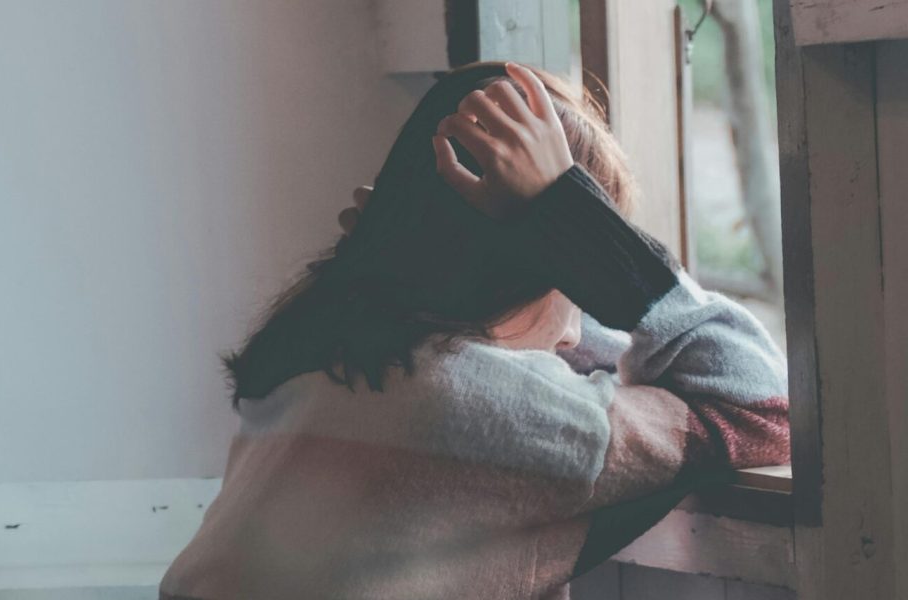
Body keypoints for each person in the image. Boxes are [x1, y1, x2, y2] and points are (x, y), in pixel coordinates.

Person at [159, 61, 789, 600]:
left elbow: (546, 350)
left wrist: (397, 252)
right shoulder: (481, 407)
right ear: (539, 272)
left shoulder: (317, 355)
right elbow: (762, 407)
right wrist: (584, 230)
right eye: (573, 285)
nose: (577, 333)